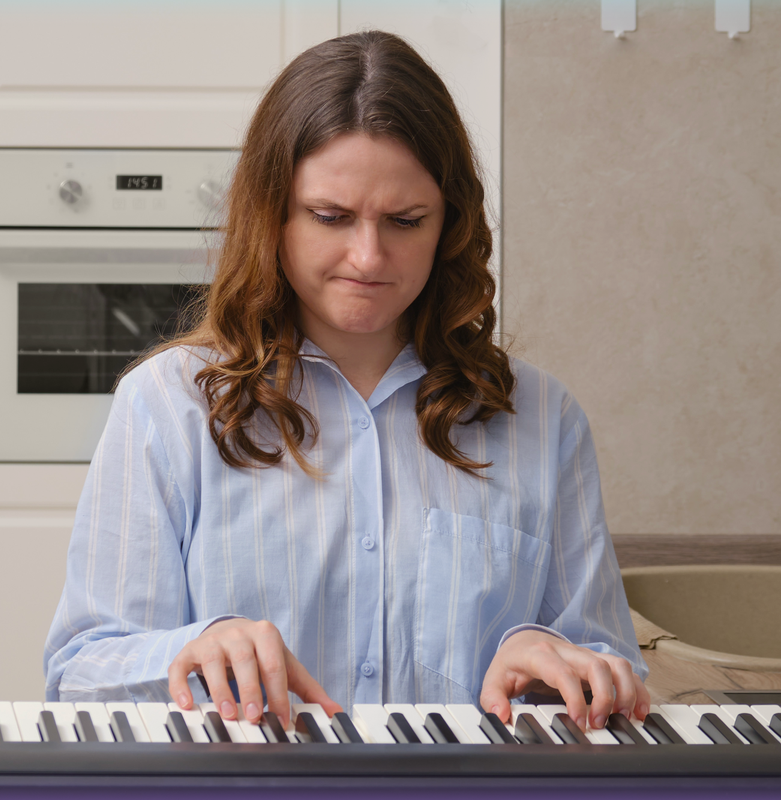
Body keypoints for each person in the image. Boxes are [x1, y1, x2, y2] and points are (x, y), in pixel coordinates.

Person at [44, 30, 648, 736]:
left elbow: (614, 674)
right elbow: (79, 676)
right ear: (272, 215)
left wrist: (560, 668)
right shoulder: (166, 405)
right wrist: (193, 649)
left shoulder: (543, 417)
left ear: (450, 225)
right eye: (330, 217)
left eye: (405, 221)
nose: (368, 256)